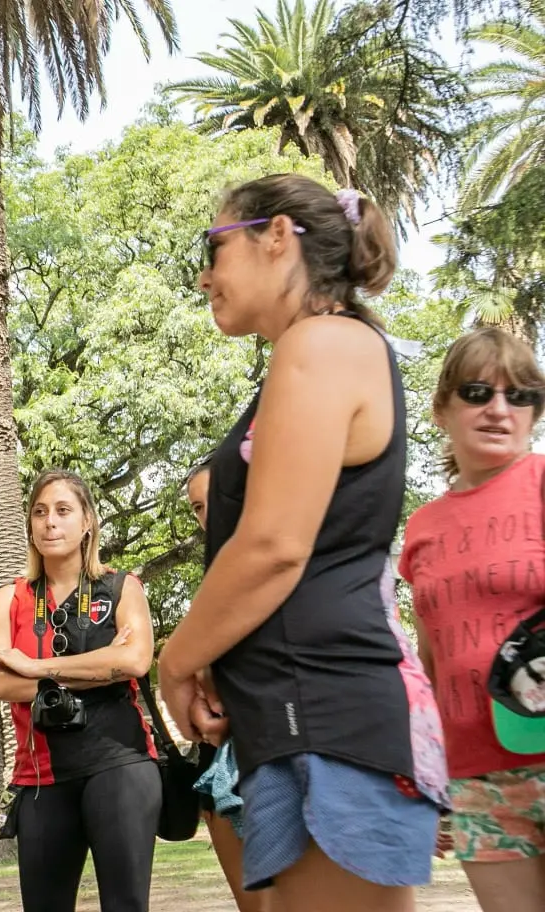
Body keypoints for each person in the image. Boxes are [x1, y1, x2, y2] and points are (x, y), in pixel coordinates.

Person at [157, 175, 448, 912]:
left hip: (328, 709)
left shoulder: (323, 343)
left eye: (213, 248)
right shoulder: (318, 348)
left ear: (277, 236)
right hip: (297, 712)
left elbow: (274, 546)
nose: (204, 276)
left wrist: (177, 660)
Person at [398, 327, 545, 912]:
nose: (499, 409)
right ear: (442, 409)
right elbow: (431, 658)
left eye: (521, 395)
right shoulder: (422, 528)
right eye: (478, 392)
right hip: (476, 774)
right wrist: (431, 774)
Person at [0, 470, 159, 912]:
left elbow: (135, 661)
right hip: (40, 777)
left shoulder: (121, 586)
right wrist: (99, 667)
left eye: (63, 510)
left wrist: (35, 668)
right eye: (40, 512)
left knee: (126, 904)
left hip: (119, 762)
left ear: (87, 521)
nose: (50, 522)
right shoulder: (8, 598)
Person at [184, 458, 281, 912]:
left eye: (216, 500)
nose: (209, 515)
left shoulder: (290, 561)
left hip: (285, 757)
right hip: (223, 764)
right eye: (198, 508)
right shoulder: (212, 584)